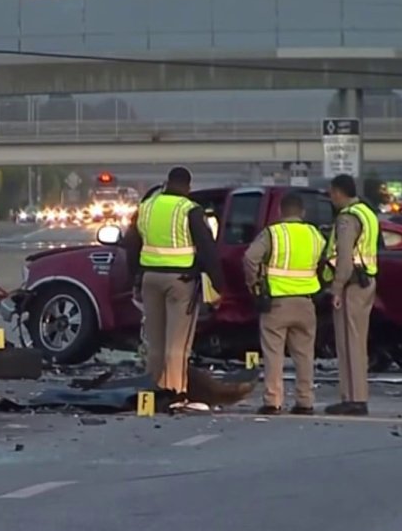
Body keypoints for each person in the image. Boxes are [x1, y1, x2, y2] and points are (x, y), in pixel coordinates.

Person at [123, 167, 225, 412]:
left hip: (150, 279)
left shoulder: (146, 208)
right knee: (178, 343)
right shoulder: (189, 210)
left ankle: (153, 390)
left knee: (155, 341)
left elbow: (130, 245)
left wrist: (135, 280)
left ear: (166, 183)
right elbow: (207, 249)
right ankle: (176, 394)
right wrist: (219, 285)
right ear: (188, 187)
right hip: (180, 282)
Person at [243, 192, 325, 416]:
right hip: (306, 303)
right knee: (305, 355)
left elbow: (250, 258)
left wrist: (255, 284)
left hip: (277, 304)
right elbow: (326, 261)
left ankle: (273, 400)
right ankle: (305, 401)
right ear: (303, 212)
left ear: (280, 212)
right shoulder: (315, 234)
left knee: (273, 354)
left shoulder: (273, 233)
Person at [323, 174, 380, 416]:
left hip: (352, 286)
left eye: (331, 193)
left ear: (338, 192)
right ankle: (356, 396)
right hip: (366, 282)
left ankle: (354, 399)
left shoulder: (347, 218)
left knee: (349, 344)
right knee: (357, 342)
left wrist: (336, 288)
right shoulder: (367, 212)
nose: (330, 198)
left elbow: (344, 259)